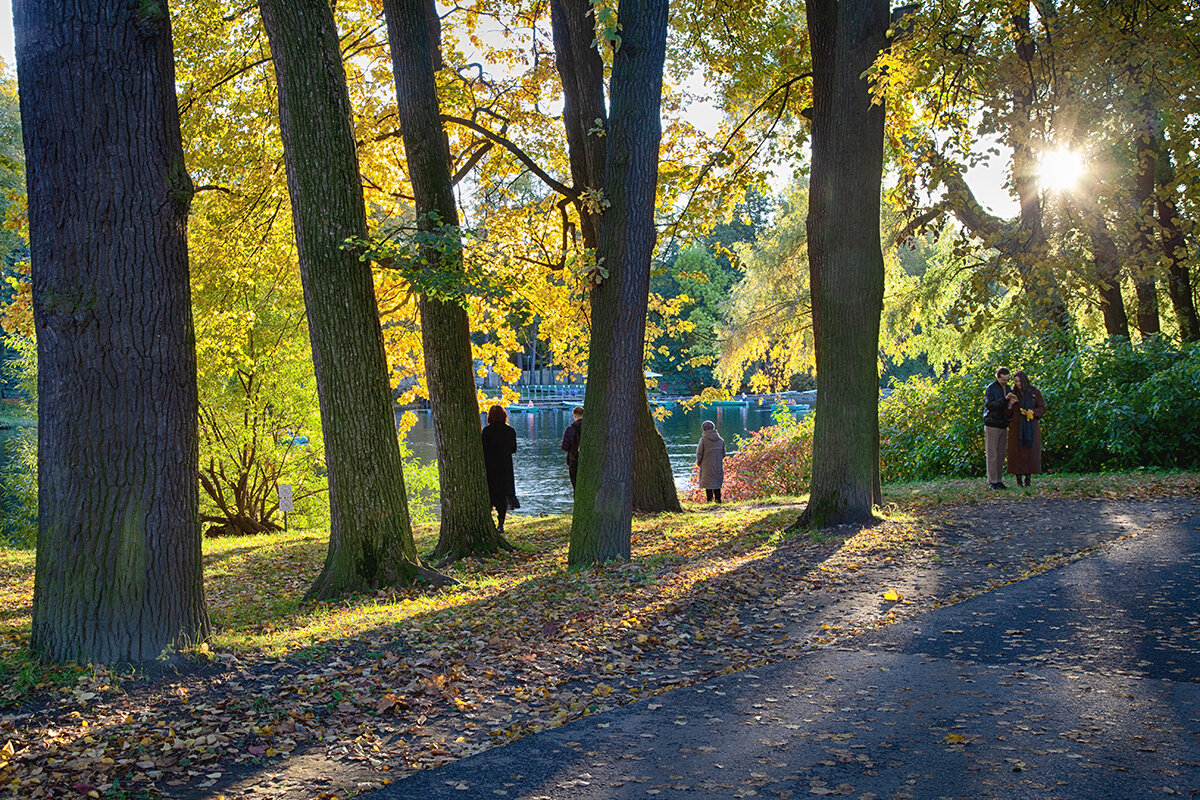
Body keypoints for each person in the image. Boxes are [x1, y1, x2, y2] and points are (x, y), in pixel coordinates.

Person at [481, 404, 518, 533]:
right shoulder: (510, 431)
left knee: (490, 493)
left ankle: (488, 521)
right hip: (505, 466)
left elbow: (483, 449)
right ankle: (501, 523)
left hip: (489, 466)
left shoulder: (486, 431)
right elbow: (513, 449)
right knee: (502, 496)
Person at [1006, 370, 1046, 487]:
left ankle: (1028, 479)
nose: (1018, 384)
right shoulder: (1013, 393)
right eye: (1016, 381)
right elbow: (1008, 413)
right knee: (1016, 452)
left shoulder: (1034, 392)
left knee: (1030, 452)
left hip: (1030, 426)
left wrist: (1032, 413)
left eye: (1020, 381)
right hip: (1017, 427)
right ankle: (1018, 480)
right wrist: (1010, 404)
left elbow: (1043, 408)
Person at [983, 366, 1012, 489]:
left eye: (1007, 380)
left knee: (1001, 454)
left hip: (1003, 423)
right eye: (1003, 380)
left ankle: (999, 480)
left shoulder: (1009, 388)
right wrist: (1004, 400)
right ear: (998, 377)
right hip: (992, 423)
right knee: (992, 453)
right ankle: (992, 481)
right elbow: (989, 405)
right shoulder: (991, 388)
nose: (1006, 382)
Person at [696, 420, 726, 503]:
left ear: (703, 429)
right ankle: (718, 501)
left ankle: (709, 502)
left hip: (706, 466)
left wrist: (699, 463)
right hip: (718, 466)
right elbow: (723, 454)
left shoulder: (703, 440)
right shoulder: (721, 440)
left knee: (708, 485)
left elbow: (699, 454)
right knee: (717, 484)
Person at [560, 406, 583, 489]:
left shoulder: (570, 429)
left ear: (575, 416)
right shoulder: (589, 428)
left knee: (576, 486)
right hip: (588, 460)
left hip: (574, 460)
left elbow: (565, 447)